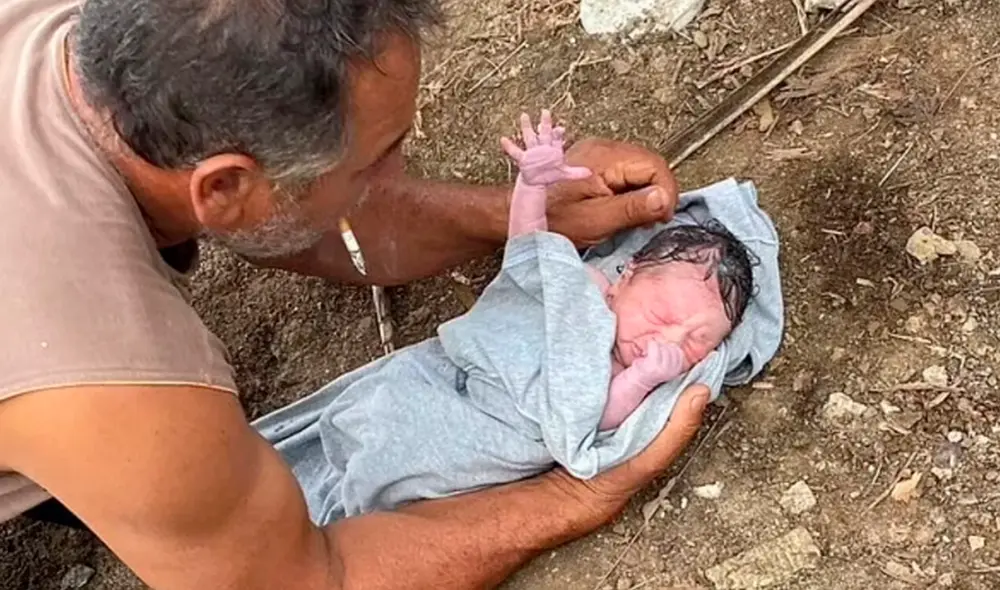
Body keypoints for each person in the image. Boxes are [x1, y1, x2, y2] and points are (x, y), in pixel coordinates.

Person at [0, 0, 710, 588]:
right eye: (377, 158)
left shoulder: (96, 40)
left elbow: (298, 219)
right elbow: (308, 580)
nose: (397, 168)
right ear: (224, 190)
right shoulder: (108, 369)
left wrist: (525, 217)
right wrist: (577, 494)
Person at [501, 110, 755, 431]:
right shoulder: (588, 287)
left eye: (698, 341)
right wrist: (532, 187)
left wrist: (639, 379)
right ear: (625, 278)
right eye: (661, 314)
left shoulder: (628, 376)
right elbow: (529, 258)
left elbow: (589, 420)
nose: (670, 341)